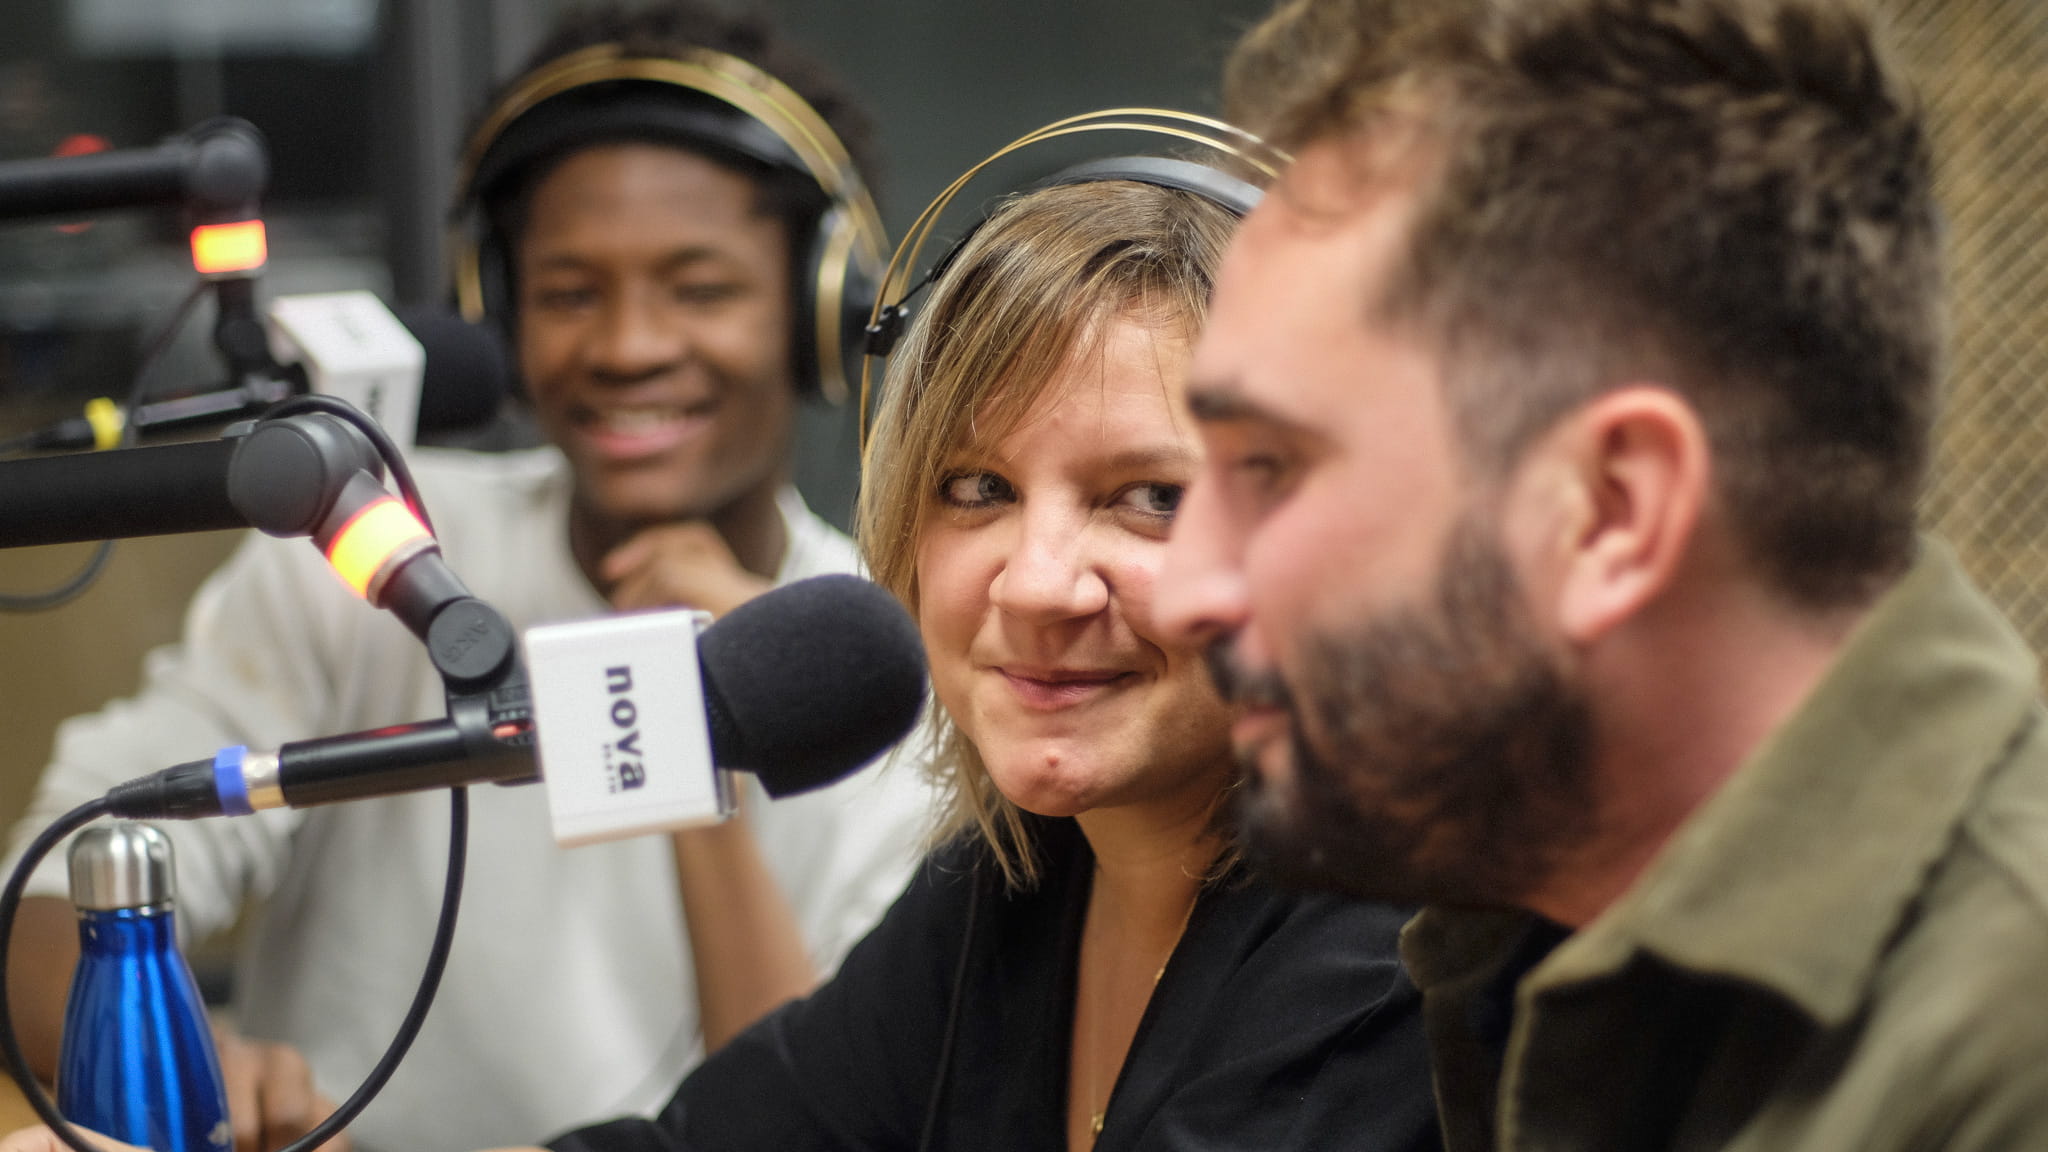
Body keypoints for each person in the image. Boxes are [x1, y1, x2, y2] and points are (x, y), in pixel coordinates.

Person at [0, 5, 928, 1152]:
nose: (629, 344)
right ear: (497, 310)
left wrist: (696, 710)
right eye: (570, 292)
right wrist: (192, 1059)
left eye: (699, 290)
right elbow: (54, 890)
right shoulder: (370, 541)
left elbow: (817, 1122)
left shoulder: (877, 677)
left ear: (815, 312)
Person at [1156, 0, 2048, 1149]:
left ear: (1610, 514)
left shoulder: (2000, 1055)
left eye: (1270, 468)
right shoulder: (1532, 929)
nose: (1179, 590)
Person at [480, 172, 1430, 1151]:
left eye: (1150, 496)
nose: (1032, 584)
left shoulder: (1394, 949)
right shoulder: (1012, 880)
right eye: (978, 487)